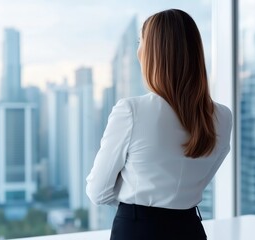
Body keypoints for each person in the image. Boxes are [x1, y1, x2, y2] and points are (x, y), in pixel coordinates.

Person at [86, 9, 232, 240]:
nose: (138, 50)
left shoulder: (132, 111)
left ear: (154, 53)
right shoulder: (223, 117)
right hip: (190, 230)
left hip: (137, 229)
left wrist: (136, 193)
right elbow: (200, 181)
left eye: (140, 42)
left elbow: (97, 192)